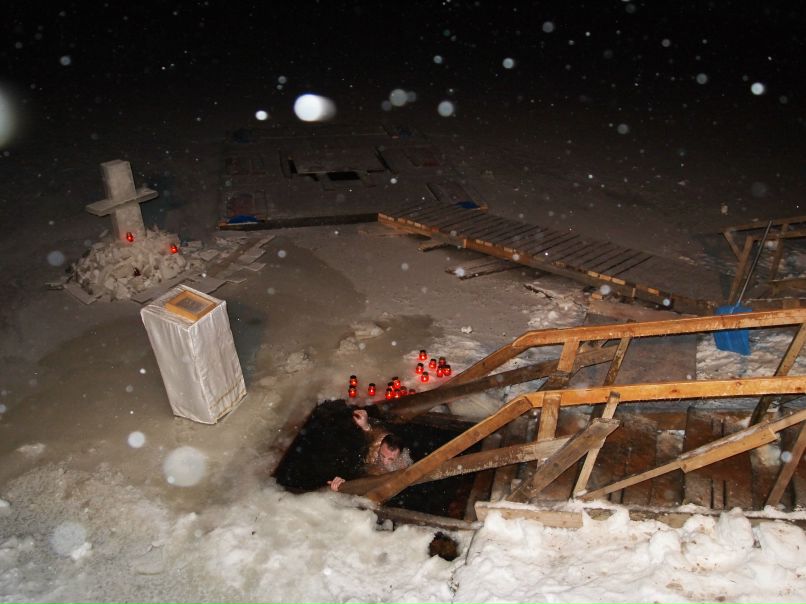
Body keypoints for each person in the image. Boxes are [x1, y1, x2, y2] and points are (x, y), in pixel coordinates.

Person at [328, 409, 412, 491]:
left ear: (399, 456)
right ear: (380, 447)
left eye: (390, 459)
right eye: (382, 455)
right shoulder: (378, 443)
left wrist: (346, 486)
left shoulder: (402, 465)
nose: (384, 461)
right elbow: (374, 432)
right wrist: (365, 425)